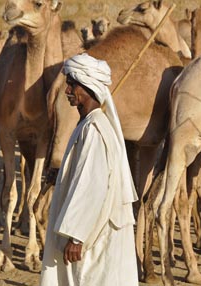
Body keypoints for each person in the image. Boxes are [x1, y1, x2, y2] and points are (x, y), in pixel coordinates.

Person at [40, 53, 139, 286]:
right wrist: (63, 174)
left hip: (95, 233)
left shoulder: (95, 128)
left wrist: (77, 236)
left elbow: (92, 186)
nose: (67, 91)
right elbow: (87, 173)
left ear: (87, 87)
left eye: (72, 85)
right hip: (95, 228)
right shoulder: (89, 124)